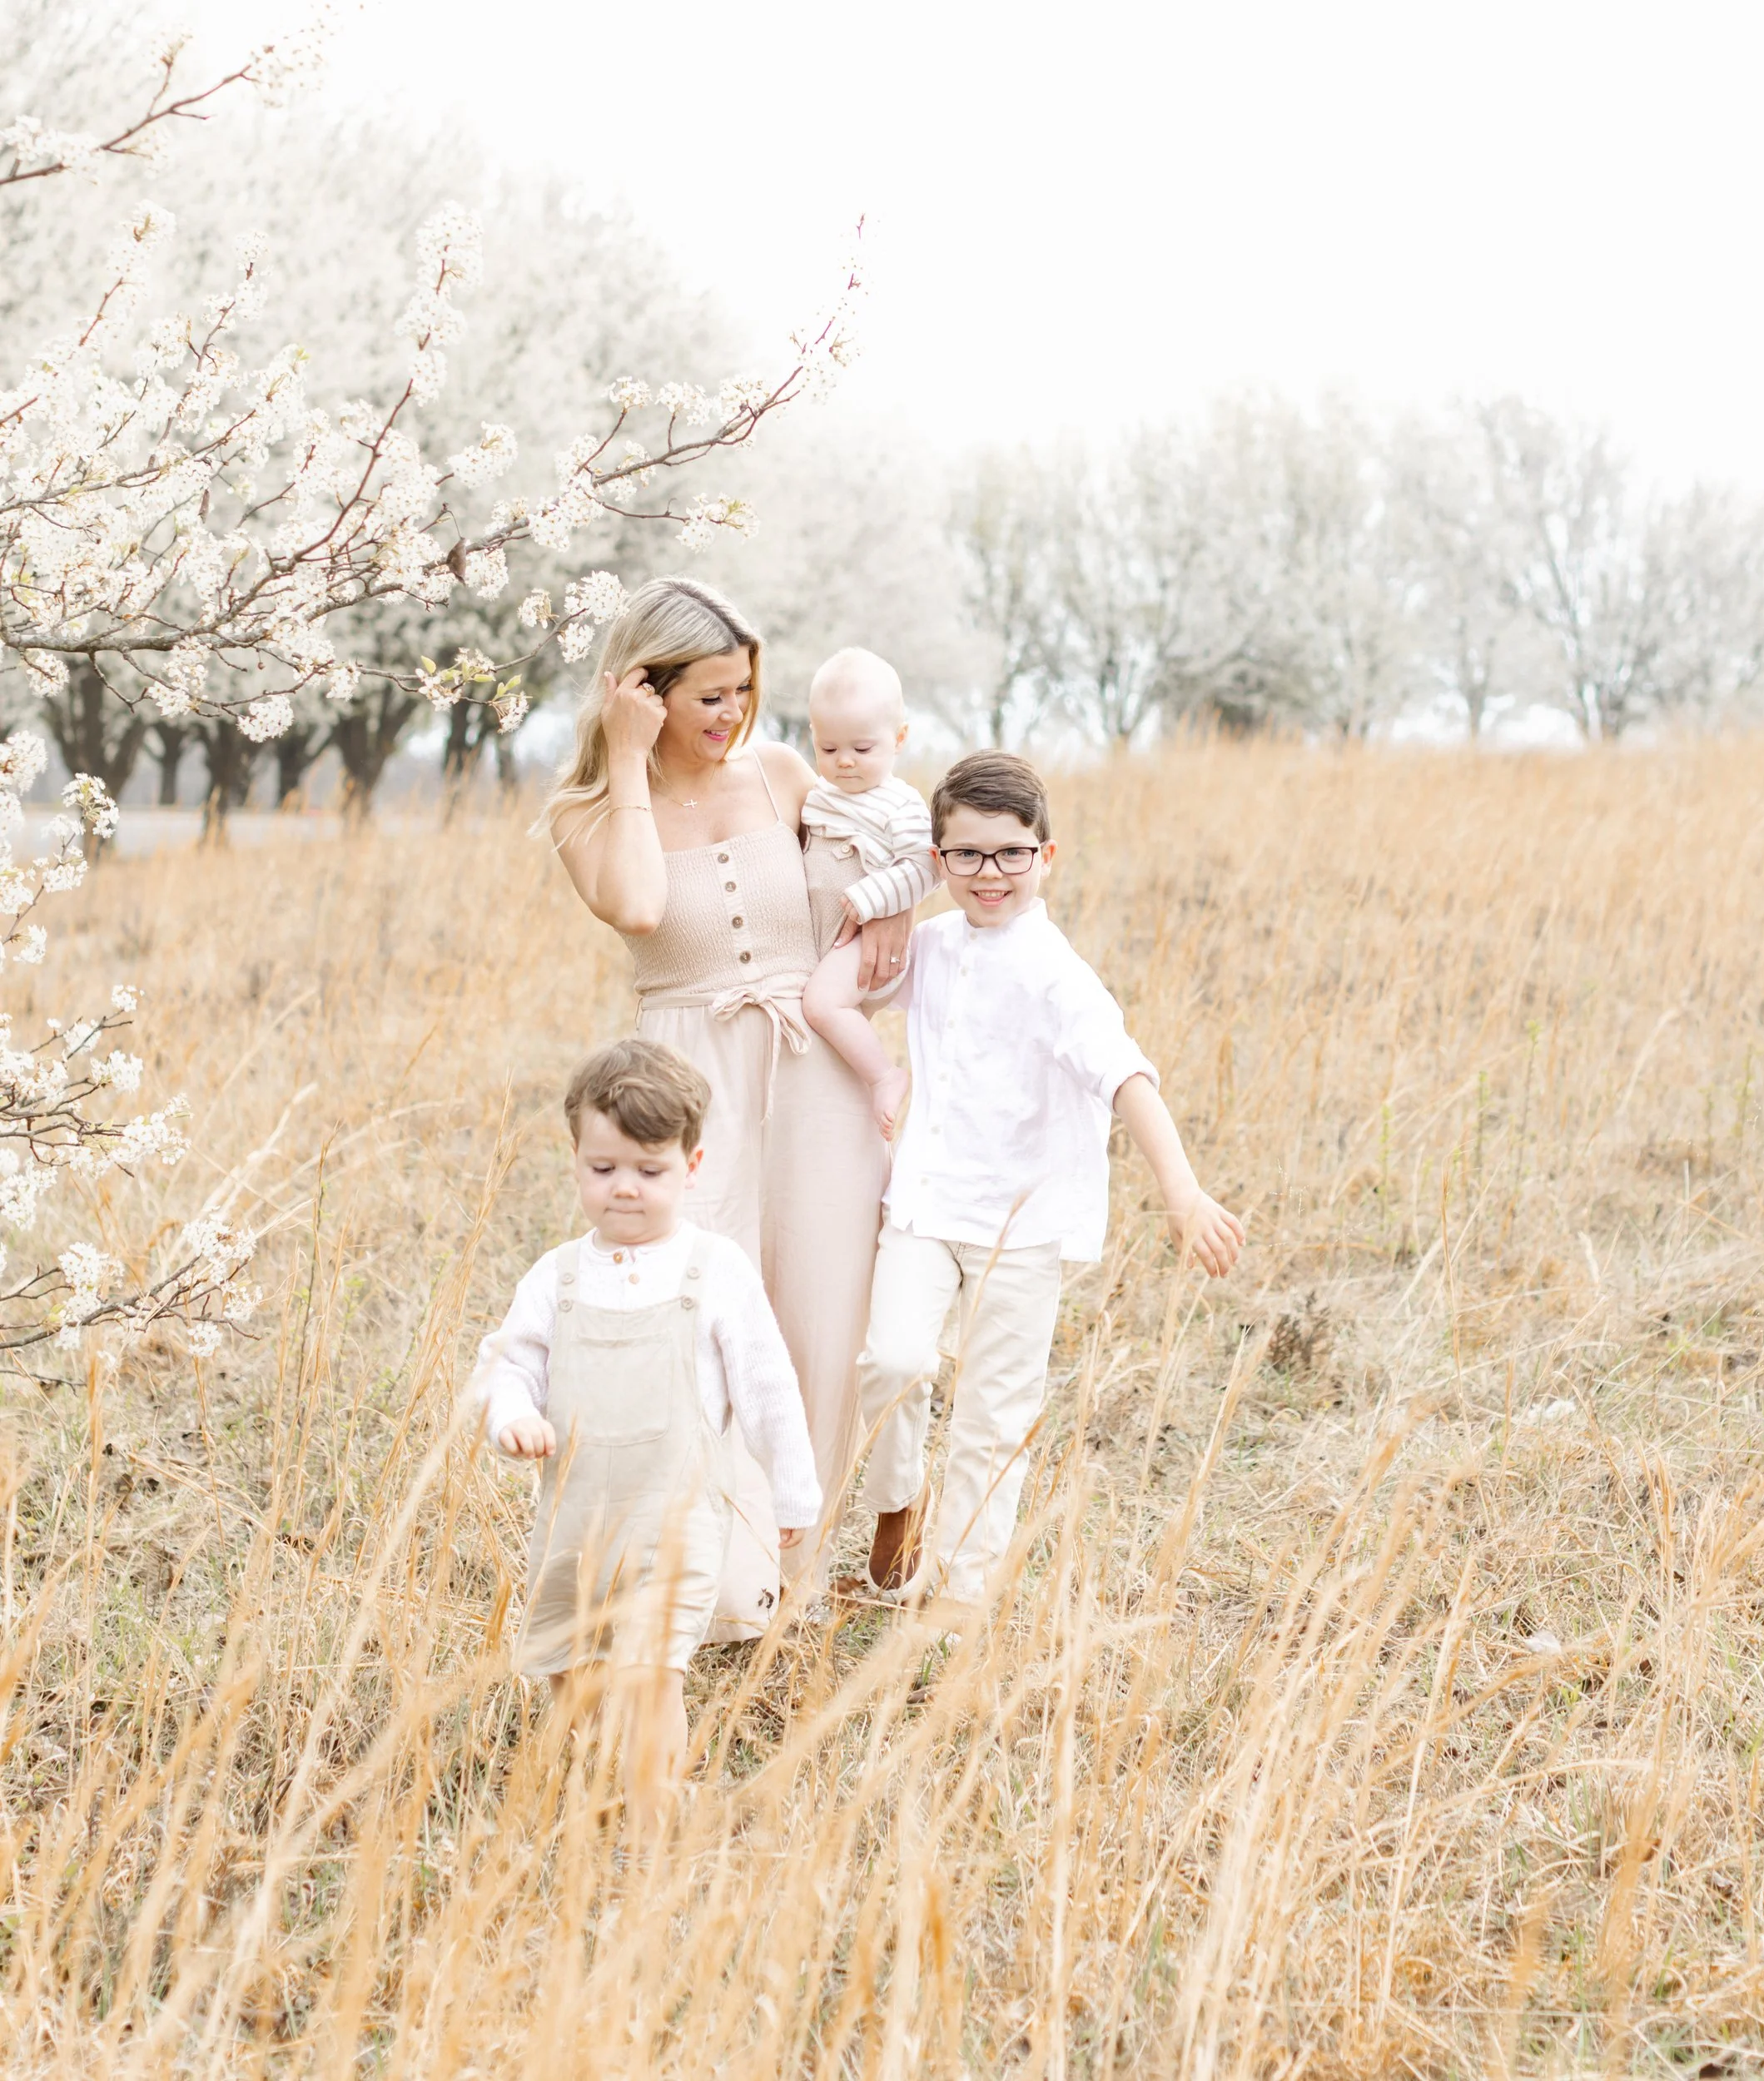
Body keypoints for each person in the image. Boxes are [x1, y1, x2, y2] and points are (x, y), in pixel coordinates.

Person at [538, 578, 902, 1633]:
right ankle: (702, 1569)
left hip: (811, 1069)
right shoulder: (584, 813)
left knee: (822, 1316)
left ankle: (798, 1565)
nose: (729, 716)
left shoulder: (786, 773)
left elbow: (885, 837)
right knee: (695, 1316)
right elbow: (641, 904)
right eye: (704, 695)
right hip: (688, 1085)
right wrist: (624, 759)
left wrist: (893, 915)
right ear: (641, 691)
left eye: (742, 690)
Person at [852, 751, 1245, 1607]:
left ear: (1046, 856)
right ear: (938, 860)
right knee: (890, 1359)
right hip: (920, 1206)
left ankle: (956, 1603)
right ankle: (897, 1500)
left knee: (992, 1419)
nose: (989, 874)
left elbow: (1126, 1078)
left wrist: (1181, 1191)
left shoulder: (1058, 976)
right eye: (966, 855)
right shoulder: (925, 945)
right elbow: (843, 995)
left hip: (1020, 1229)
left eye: (1010, 854)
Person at [471, 1038, 819, 1810]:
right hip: (576, 1517)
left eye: (649, 1171)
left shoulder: (715, 1269)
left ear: (691, 1168)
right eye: (603, 1170)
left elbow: (768, 1385)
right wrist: (515, 1416)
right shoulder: (555, 1276)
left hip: (675, 1516)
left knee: (651, 1665)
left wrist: (793, 1494)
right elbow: (508, 1367)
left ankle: (656, 1795)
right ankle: (590, 1777)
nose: (623, 1189)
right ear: (575, 1160)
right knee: (575, 1661)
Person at [798, 648, 937, 1140]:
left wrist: (873, 897)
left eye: (862, 748)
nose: (846, 762)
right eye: (830, 750)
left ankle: (884, 1075)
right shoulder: (819, 794)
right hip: (826, 941)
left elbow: (926, 865)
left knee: (822, 1006)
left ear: (898, 739)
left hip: (865, 947)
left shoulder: (901, 804)